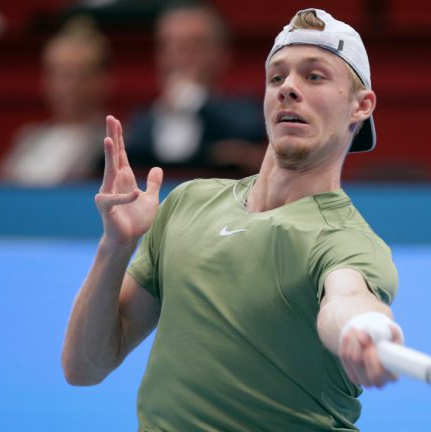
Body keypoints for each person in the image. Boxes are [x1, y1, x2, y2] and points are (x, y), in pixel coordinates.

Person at [62, 8, 403, 431]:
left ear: (360, 105)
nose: (289, 89)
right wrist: (115, 248)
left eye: (314, 77)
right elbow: (84, 368)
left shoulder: (345, 240)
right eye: (277, 77)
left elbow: (347, 298)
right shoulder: (187, 203)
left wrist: (364, 325)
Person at [123, 3, 267, 175]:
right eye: (169, 46)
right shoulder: (142, 121)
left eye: (194, 46)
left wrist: (196, 102)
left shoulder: (243, 112)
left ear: (221, 55)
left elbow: (248, 138)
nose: (179, 57)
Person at [0, 17, 109, 186]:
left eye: (75, 74)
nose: (64, 86)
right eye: (54, 73)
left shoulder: (111, 143)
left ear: (100, 79)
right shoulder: (26, 137)